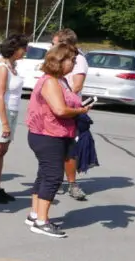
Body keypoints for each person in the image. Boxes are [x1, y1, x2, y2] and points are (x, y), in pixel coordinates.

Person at [25, 42, 92, 238]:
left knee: (44, 174)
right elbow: (60, 110)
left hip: (54, 134)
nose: (73, 64)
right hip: (47, 135)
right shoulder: (50, 82)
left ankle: (35, 214)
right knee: (53, 176)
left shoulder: (60, 80)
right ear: (59, 61)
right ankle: (41, 222)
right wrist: (81, 111)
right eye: (71, 60)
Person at [0, 34, 29, 203]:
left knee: (2, 152)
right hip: (0, 113)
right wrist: (4, 123)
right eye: (23, 48)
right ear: (14, 49)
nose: (25, 51)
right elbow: (0, 97)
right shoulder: (2, 67)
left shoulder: (11, 65)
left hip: (12, 112)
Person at [52, 28, 90, 201]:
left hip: (69, 109)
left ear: (65, 44)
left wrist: (65, 101)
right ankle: (55, 180)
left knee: (69, 148)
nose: (52, 47)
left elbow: (77, 86)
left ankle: (72, 184)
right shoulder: (60, 58)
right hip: (57, 106)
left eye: (55, 43)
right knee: (55, 146)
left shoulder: (79, 60)